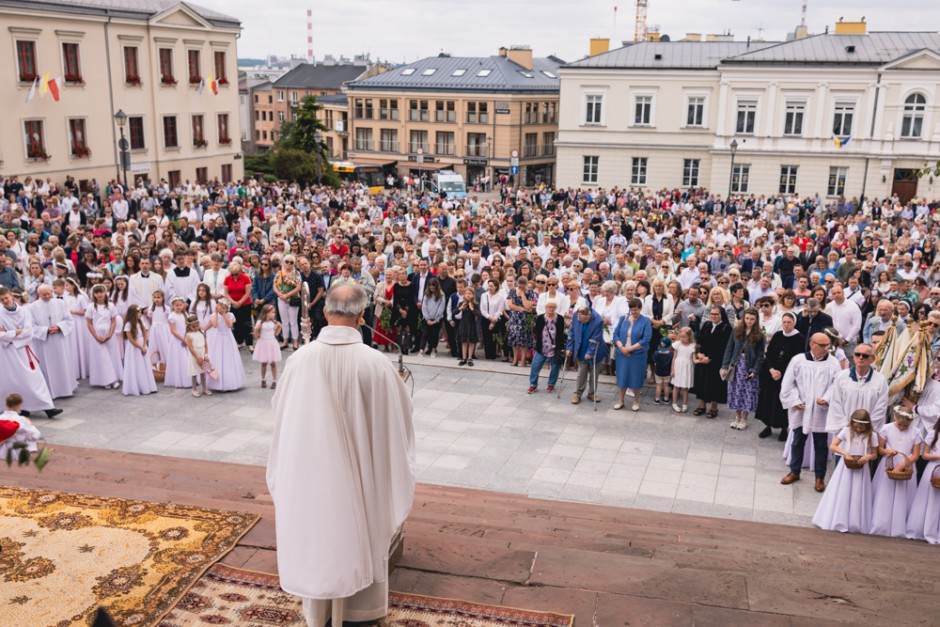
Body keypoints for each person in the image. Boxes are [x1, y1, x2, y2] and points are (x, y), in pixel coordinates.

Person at [266, 283, 415, 627]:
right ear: (363, 316)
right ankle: (360, 614)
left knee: (318, 532)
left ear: (325, 311)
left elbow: (281, 414)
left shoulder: (300, 359)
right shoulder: (376, 363)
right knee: (361, 529)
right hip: (363, 479)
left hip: (310, 475)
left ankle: (318, 614)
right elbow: (398, 423)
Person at [780, 332, 843, 492]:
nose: (827, 348)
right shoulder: (798, 360)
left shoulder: (833, 363)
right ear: (812, 344)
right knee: (797, 441)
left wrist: (827, 398)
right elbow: (788, 383)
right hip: (801, 408)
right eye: (823, 345)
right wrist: (795, 401)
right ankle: (795, 471)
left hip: (820, 410)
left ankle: (820, 477)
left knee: (821, 444)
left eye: (828, 345)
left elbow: (837, 384)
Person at [812, 409, 879, 533]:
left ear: (867, 426)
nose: (858, 430)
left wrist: (868, 457)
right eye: (857, 427)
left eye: (862, 428)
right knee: (843, 491)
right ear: (852, 424)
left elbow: (875, 454)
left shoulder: (872, 435)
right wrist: (845, 453)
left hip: (861, 469)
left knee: (858, 493)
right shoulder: (847, 431)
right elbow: (833, 445)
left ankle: (854, 522)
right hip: (845, 468)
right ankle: (838, 519)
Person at [0, 287, 62, 418]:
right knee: (15, 381)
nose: (5, 301)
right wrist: (15, 332)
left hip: (24, 350)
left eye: (6, 298)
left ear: (11, 296)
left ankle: (48, 407)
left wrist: (9, 334)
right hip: (8, 353)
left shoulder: (24, 312)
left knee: (34, 379)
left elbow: (29, 332)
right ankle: (24, 408)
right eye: (2, 300)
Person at [870, 407, 921, 537]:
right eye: (900, 424)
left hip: (906, 465)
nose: (903, 427)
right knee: (885, 493)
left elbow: (915, 455)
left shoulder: (916, 432)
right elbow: (880, 449)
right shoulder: (886, 428)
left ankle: (899, 526)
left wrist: (903, 465)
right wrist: (887, 451)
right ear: (895, 418)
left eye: (906, 425)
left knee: (902, 495)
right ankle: (881, 524)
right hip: (889, 464)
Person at [756, 312, 804, 440]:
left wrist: (781, 372)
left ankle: (784, 428)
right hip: (771, 374)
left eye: (789, 322)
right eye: (784, 322)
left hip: (786, 375)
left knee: (781, 402)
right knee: (768, 400)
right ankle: (768, 426)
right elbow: (769, 354)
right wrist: (771, 369)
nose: (786, 325)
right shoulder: (777, 335)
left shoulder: (799, 338)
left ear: (794, 323)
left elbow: (796, 359)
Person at [826, 342, 889, 433]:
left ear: (872, 359)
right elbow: (836, 403)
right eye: (857, 354)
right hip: (845, 430)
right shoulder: (841, 377)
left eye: (865, 355)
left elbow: (881, 407)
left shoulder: (880, 380)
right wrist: (846, 426)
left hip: (868, 430)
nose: (860, 357)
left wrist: (866, 426)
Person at [28, 284, 77, 400]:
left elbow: (69, 319)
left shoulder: (60, 303)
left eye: (49, 293)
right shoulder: (32, 307)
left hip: (59, 339)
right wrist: (45, 330)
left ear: (51, 292)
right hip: (44, 342)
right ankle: (50, 390)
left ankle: (65, 389)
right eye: (44, 294)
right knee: (47, 366)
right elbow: (31, 326)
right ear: (38, 294)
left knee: (62, 363)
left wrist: (59, 327)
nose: (47, 296)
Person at [721, 307, 765, 430]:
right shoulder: (736, 331)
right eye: (747, 318)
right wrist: (725, 366)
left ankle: (744, 418)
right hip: (735, 364)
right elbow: (729, 348)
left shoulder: (759, 335)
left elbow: (760, 355)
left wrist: (755, 370)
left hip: (748, 366)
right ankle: (736, 416)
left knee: (747, 392)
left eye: (752, 319)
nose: (749, 321)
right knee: (735, 391)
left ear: (756, 320)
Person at [692, 306, 731, 419]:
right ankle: (702, 405)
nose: (713, 316)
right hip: (703, 358)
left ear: (721, 315)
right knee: (702, 382)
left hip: (716, 361)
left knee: (715, 384)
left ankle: (714, 407)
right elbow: (699, 340)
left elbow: (723, 346)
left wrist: (710, 357)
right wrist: (698, 353)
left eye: (716, 314)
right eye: (712, 314)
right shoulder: (707, 325)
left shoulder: (726, 328)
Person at [905, 416, 940, 543]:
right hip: (934, 468)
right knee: (930, 499)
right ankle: (926, 530)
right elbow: (924, 455)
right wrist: (938, 456)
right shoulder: (934, 434)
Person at [612, 298, 650, 411]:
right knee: (622, 376)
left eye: (636, 310)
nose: (634, 312)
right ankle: (621, 400)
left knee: (636, 377)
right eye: (632, 310)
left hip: (638, 354)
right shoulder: (623, 319)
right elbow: (615, 335)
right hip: (622, 353)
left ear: (640, 309)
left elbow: (646, 338)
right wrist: (622, 347)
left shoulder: (646, 321)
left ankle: (636, 401)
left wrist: (630, 348)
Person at [567, 305, 608, 405]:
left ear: (589, 315)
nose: (580, 321)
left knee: (594, 373)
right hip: (580, 348)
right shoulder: (576, 315)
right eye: (579, 318)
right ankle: (577, 393)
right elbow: (571, 332)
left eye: (583, 319)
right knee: (582, 372)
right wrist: (569, 347)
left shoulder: (598, 320)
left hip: (596, 351)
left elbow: (596, 338)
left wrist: (590, 352)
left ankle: (592, 393)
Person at [84, 284, 122, 389]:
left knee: (111, 355)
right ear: (94, 294)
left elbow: (113, 321)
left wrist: (110, 334)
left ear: (105, 293)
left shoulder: (111, 306)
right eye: (97, 293)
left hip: (108, 332)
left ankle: (114, 379)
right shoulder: (91, 307)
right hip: (96, 333)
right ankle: (105, 380)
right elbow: (89, 323)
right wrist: (96, 336)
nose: (99, 294)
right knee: (101, 357)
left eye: (101, 292)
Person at [207, 299, 246, 392]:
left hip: (228, 338)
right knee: (218, 358)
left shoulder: (230, 315)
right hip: (218, 339)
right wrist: (216, 313)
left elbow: (229, 325)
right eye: (219, 306)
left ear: (226, 308)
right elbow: (215, 325)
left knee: (229, 358)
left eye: (223, 307)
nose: (221, 308)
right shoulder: (213, 316)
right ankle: (218, 383)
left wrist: (224, 314)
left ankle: (230, 382)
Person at [528, 300, 566, 394]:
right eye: (549, 307)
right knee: (535, 367)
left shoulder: (560, 318)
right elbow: (536, 331)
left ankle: (551, 384)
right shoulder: (540, 318)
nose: (551, 309)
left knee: (555, 367)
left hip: (555, 348)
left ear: (556, 308)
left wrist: (560, 347)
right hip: (542, 347)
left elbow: (561, 333)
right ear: (545, 308)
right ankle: (533, 385)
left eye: (553, 307)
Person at [122, 304, 157, 396]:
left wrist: (144, 345)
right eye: (138, 313)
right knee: (136, 365)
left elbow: (145, 334)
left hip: (142, 345)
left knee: (144, 365)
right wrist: (140, 347)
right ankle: (136, 386)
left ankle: (147, 385)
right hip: (134, 347)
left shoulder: (141, 322)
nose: (140, 314)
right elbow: (130, 339)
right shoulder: (128, 324)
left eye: (140, 312)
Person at [0, 393, 42, 459]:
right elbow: (35, 436)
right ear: (18, 406)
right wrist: (30, 424)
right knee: (30, 433)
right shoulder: (21, 420)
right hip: (16, 453)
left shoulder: (0, 418)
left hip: (1, 450)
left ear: (6, 404)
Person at [164, 296, 192, 389]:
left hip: (186, 337)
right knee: (180, 359)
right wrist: (182, 339)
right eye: (177, 305)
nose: (179, 307)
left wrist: (187, 337)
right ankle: (180, 380)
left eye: (180, 305)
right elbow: (173, 331)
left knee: (188, 358)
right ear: (173, 306)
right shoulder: (172, 316)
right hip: (177, 340)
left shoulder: (185, 315)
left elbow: (188, 326)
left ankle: (189, 379)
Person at [253, 303, 282, 389]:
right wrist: (257, 333)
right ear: (267, 313)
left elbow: (276, 333)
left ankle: (274, 380)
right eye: (272, 312)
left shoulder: (274, 322)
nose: (274, 314)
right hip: (263, 343)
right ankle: (263, 379)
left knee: (273, 363)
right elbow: (256, 333)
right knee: (263, 363)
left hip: (272, 343)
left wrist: (279, 327)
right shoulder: (260, 322)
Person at [184, 314, 212, 397]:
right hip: (194, 356)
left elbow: (206, 345)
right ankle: (194, 390)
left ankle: (204, 388)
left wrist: (206, 355)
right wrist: (197, 357)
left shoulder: (202, 332)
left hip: (202, 354)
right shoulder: (188, 335)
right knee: (194, 373)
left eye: (197, 326)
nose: (196, 328)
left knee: (203, 373)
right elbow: (191, 348)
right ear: (189, 326)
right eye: (193, 327)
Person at [671, 327, 695, 413]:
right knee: (676, 386)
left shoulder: (692, 346)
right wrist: (672, 370)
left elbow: (694, 359)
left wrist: (701, 360)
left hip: (686, 367)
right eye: (681, 336)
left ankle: (685, 404)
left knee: (685, 387)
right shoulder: (678, 344)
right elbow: (674, 358)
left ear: (689, 336)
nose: (682, 339)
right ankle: (674, 403)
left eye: (684, 337)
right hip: (678, 366)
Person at [455, 287, 479, 366]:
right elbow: (454, 312)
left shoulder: (475, 304)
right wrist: (460, 308)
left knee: (471, 341)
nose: (468, 295)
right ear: (464, 295)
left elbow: (479, 315)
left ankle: (470, 358)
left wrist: (472, 309)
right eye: (466, 293)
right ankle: (464, 358)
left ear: (473, 295)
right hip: (463, 323)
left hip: (471, 323)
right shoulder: (461, 303)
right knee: (464, 341)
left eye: (470, 294)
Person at [652, 336, 673, 405]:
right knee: (666, 386)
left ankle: (657, 399)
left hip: (658, 372)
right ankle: (666, 399)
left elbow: (654, 360)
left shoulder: (656, 353)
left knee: (658, 386)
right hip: (667, 373)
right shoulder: (670, 355)